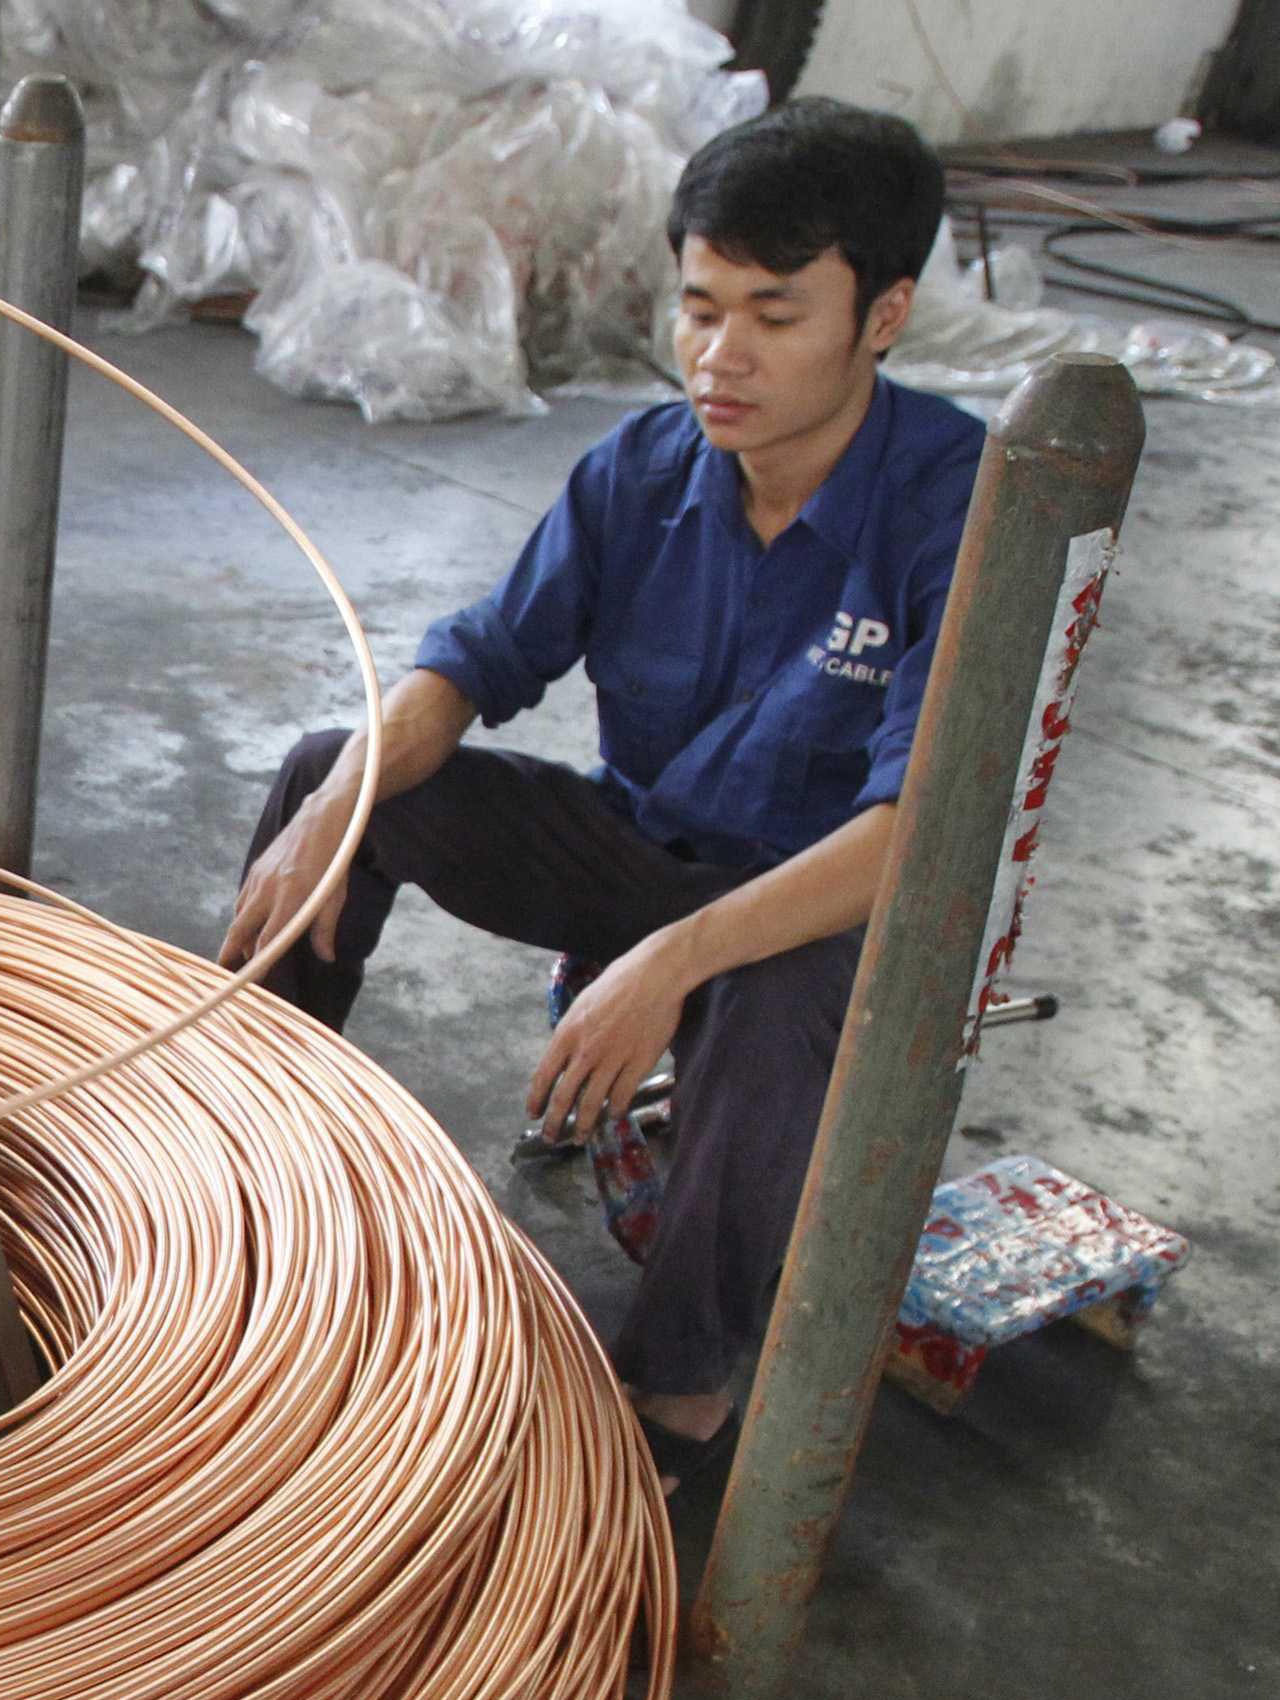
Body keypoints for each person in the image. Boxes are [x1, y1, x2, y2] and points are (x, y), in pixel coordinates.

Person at [219, 98, 983, 1492]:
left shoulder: (957, 511)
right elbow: (480, 659)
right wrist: (337, 812)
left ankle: (676, 1389)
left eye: (774, 314)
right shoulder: (641, 469)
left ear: (883, 319)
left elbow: (913, 837)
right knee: (338, 772)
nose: (720, 356)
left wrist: (666, 967)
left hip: (815, 905)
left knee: (775, 1005)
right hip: (641, 849)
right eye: (698, 307)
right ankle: (245, 1181)